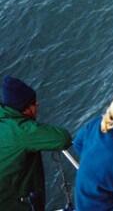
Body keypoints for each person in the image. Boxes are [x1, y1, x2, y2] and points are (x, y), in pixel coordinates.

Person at [0, 76, 72, 211]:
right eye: (33, 102)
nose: (37, 104)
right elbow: (63, 138)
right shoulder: (22, 130)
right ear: (26, 108)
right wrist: (33, 126)